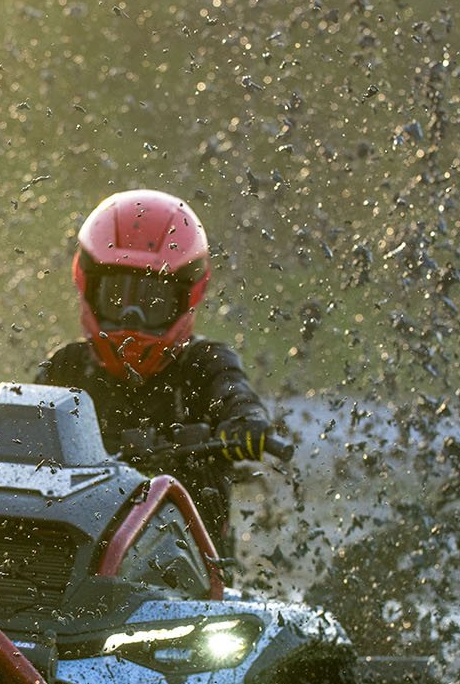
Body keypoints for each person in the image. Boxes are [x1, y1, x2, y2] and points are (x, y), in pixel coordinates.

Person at [35, 189, 280, 556]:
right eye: (117, 297)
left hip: (191, 577)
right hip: (70, 565)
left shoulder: (206, 363)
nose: (131, 319)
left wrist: (246, 423)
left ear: (188, 296)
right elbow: (14, 431)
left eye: (152, 301)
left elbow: (236, 396)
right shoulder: (65, 367)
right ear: (88, 285)